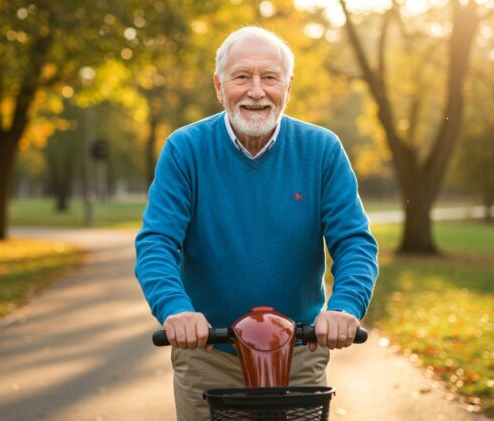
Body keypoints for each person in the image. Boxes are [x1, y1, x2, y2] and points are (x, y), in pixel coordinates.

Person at [134, 26, 378, 420]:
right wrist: (175, 309)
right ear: (219, 85)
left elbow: (354, 241)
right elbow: (157, 241)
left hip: (301, 347)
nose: (256, 91)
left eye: (270, 77)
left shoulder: (322, 149)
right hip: (208, 351)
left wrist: (346, 306)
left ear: (288, 85)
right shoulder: (185, 149)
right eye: (242, 76)